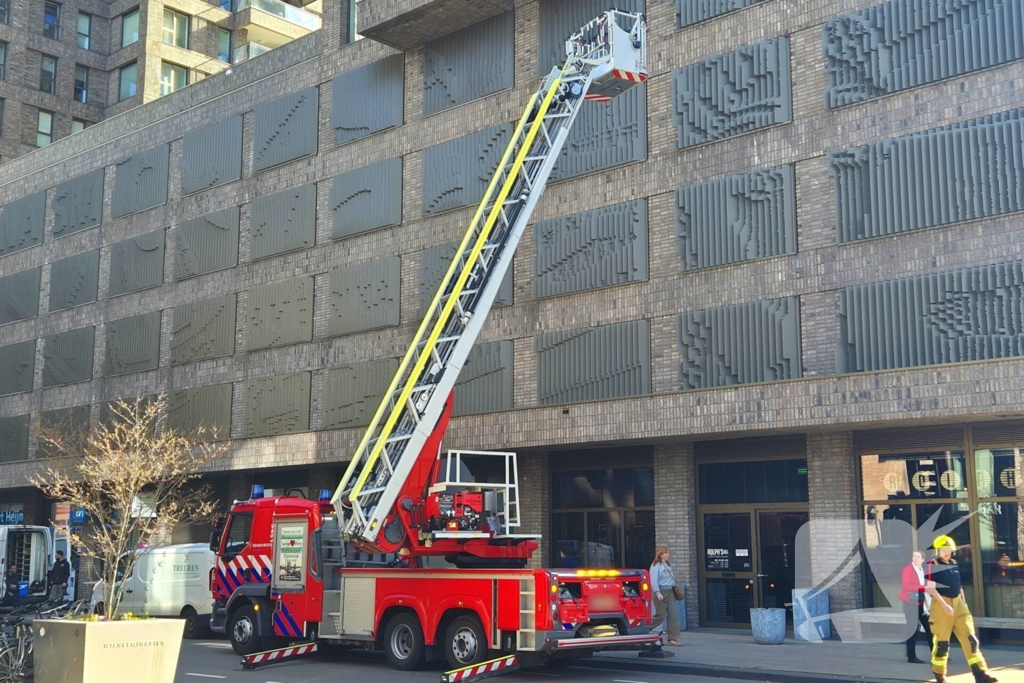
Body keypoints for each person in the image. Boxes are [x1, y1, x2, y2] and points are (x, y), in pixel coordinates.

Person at [926, 535, 997, 683]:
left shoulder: (954, 563)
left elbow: (959, 586)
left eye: (949, 550)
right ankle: (939, 675)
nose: (947, 552)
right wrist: (944, 605)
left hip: (959, 604)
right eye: (944, 550)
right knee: (942, 643)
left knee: (971, 640)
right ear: (938, 550)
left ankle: (980, 674)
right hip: (941, 605)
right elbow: (930, 588)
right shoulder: (932, 565)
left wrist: (963, 603)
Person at [900, 550, 931, 663]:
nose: (915, 558)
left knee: (929, 628)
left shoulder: (923, 570)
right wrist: (923, 587)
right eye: (914, 556)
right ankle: (911, 656)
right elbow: (907, 585)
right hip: (910, 603)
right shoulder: (908, 569)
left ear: (922, 560)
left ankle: (937, 654)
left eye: (918, 556)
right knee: (912, 630)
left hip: (921, 603)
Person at [648, 547, 681, 647]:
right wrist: (658, 593)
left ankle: (673, 639)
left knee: (673, 614)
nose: (668, 555)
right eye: (666, 553)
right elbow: (653, 581)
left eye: (668, 553)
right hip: (660, 591)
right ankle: (644, 629)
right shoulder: (655, 566)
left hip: (670, 591)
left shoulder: (667, 565)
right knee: (661, 615)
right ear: (661, 555)